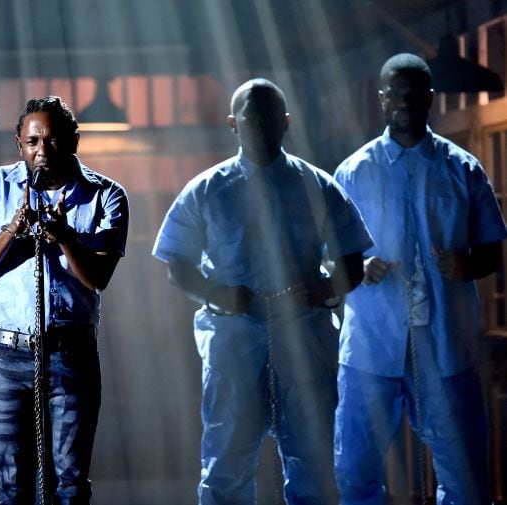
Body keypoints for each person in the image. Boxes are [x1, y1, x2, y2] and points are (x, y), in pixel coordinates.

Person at [152, 78, 373, 505]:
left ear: (286, 122)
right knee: (226, 462)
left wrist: (325, 288)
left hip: (305, 335)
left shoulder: (318, 185)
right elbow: (177, 265)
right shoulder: (207, 189)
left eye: (273, 118)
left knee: (313, 460)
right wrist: (217, 293)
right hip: (233, 337)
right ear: (234, 124)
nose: (264, 126)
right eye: (253, 118)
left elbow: (352, 260)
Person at [333, 53, 506, 505]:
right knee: (355, 476)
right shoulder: (353, 173)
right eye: (395, 93)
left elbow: (493, 248)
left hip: (444, 342)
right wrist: (357, 269)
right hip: (371, 345)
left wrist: (467, 265)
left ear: (430, 98)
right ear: (382, 99)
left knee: (466, 480)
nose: (404, 102)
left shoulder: (463, 168)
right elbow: (328, 258)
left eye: (413, 93)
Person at [0, 95, 129, 505]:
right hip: (6, 358)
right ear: (19, 143)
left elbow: (98, 278)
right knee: (12, 485)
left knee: (69, 484)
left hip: (70, 356)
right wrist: (12, 231)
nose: (42, 152)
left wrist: (67, 236)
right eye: (33, 142)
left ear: (74, 140)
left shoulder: (106, 195)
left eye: (52, 142)